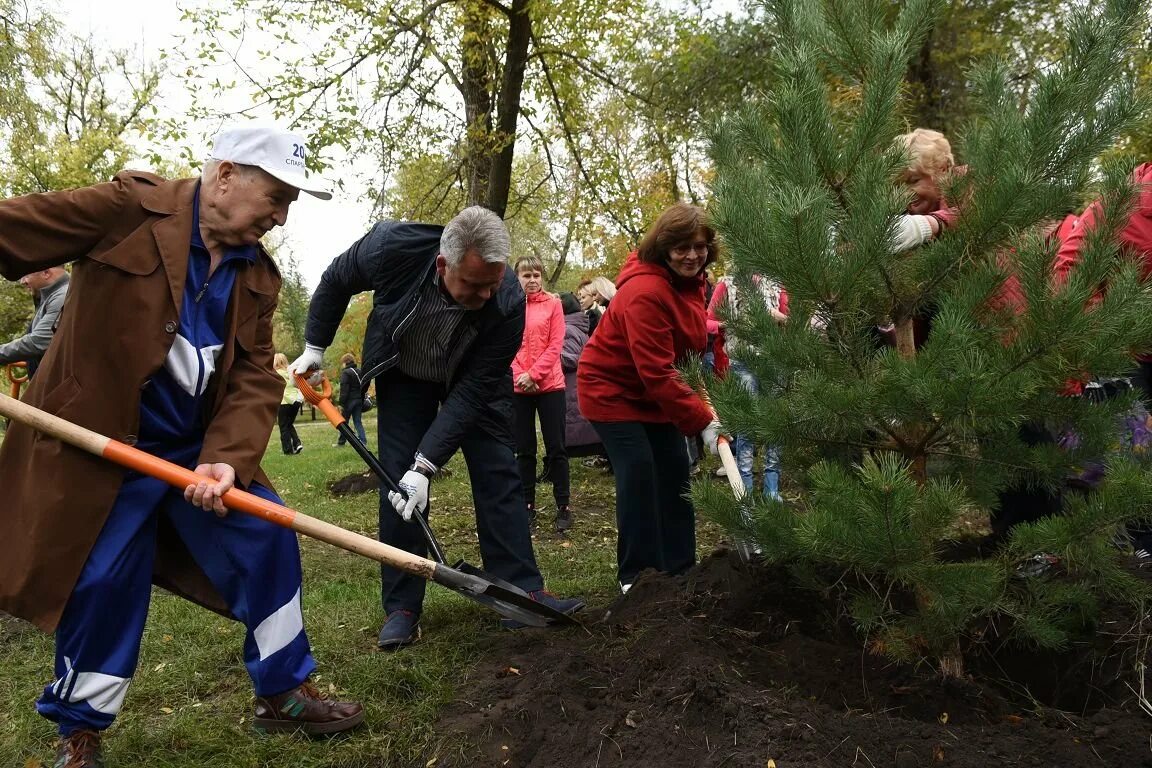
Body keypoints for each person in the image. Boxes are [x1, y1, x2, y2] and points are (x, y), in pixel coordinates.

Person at [0, 124, 365, 767]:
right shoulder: (126, 211)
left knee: (267, 535)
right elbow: (10, 228)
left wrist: (225, 457)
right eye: (275, 197)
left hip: (194, 450)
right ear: (224, 175)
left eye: (289, 205)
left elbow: (254, 372)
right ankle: (80, 732)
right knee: (104, 578)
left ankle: (283, 691)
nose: (279, 217)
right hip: (100, 450)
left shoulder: (257, 276)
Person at [289, 206, 584, 650]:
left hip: (473, 381)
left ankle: (521, 593)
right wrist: (315, 347)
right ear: (444, 265)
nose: (487, 294)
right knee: (398, 483)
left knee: (498, 471)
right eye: (474, 284)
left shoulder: (506, 298)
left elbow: (472, 393)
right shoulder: (392, 248)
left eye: (493, 282)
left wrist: (426, 466)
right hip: (405, 373)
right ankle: (403, 606)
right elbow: (336, 279)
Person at [577, 202, 722, 593]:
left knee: (675, 470)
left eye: (700, 246)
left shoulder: (692, 283)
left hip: (653, 392)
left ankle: (679, 569)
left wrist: (707, 405)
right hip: (611, 390)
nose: (692, 255)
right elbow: (657, 371)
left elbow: (690, 350)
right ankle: (637, 577)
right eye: (681, 248)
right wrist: (701, 420)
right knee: (639, 470)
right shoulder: (645, 291)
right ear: (663, 248)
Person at [707, 274, 787, 498]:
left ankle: (772, 489)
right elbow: (708, 321)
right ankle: (746, 490)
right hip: (743, 362)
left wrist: (779, 317)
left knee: (774, 423)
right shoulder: (727, 283)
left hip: (773, 360)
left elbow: (791, 322)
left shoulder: (776, 283)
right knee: (747, 425)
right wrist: (729, 323)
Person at [511, 256, 571, 533]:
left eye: (536, 275)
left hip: (550, 386)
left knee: (556, 447)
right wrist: (521, 376)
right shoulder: (508, 305)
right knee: (524, 450)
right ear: (517, 277)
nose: (532, 280)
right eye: (526, 275)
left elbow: (555, 344)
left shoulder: (553, 304)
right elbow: (505, 346)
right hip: (518, 388)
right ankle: (527, 505)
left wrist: (533, 375)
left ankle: (563, 506)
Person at [0, 265, 70, 375]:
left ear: (46, 273)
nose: (22, 281)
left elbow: (37, 342)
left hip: (56, 385)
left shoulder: (62, 296)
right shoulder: (49, 295)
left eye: (26, 275)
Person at [558, 291, 601, 458]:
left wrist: (551, 356)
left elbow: (572, 357)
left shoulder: (568, 328)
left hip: (570, 384)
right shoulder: (576, 325)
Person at [274, 352, 305, 455]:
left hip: (284, 402)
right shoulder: (292, 373)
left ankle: (288, 450)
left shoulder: (276, 374)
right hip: (295, 402)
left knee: (283, 427)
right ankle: (297, 443)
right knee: (289, 424)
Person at [335, 352, 368, 447]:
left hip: (349, 401)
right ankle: (363, 442)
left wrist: (341, 403)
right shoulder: (359, 371)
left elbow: (344, 390)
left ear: (345, 362)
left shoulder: (346, 373)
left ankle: (341, 442)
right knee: (357, 421)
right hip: (359, 400)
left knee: (344, 423)